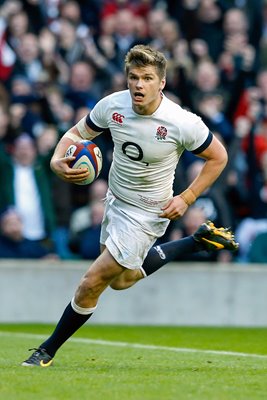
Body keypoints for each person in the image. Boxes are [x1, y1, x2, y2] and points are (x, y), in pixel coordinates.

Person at [21, 44, 238, 367]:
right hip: (115, 201)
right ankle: (195, 241)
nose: (139, 85)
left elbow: (218, 157)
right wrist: (56, 159)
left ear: (161, 83)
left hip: (149, 212)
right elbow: (76, 134)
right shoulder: (113, 106)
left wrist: (187, 199)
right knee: (121, 281)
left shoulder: (181, 122)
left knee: (91, 283)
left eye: (147, 78)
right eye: (134, 77)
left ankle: (46, 351)